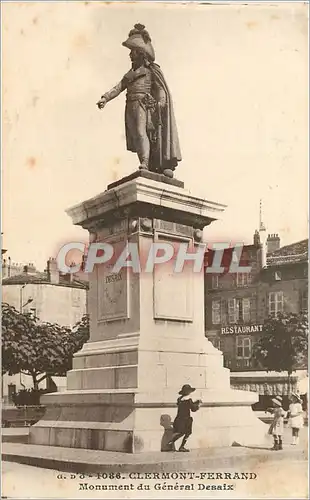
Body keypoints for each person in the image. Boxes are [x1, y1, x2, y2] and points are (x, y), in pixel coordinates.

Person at [96, 23, 181, 177]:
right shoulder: (130, 73)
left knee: (142, 133)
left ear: (140, 53)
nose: (130, 55)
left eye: (133, 52)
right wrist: (105, 98)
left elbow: (161, 89)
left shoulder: (151, 70)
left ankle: (145, 162)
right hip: (130, 105)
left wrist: (161, 102)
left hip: (144, 104)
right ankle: (145, 161)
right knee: (136, 136)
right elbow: (119, 87)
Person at [168, 384, 202, 452]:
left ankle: (171, 442)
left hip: (179, 418)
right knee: (188, 433)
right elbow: (193, 409)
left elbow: (185, 406)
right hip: (186, 419)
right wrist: (198, 405)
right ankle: (182, 446)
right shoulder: (189, 400)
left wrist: (193, 403)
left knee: (180, 432)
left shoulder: (180, 399)